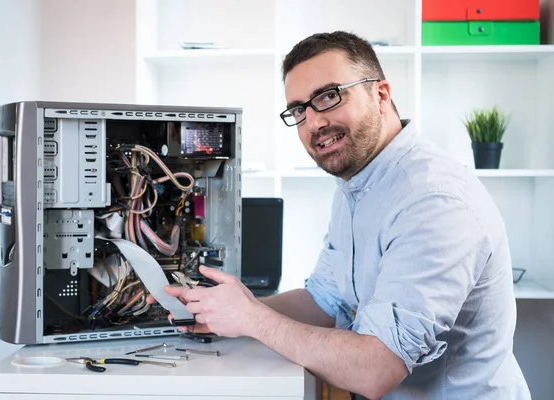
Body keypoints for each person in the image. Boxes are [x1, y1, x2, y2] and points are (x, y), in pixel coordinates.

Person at [149, 31, 530, 399]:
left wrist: (252, 319)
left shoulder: (432, 200)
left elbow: (376, 368)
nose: (314, 122)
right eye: (299, 109)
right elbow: (325, 301)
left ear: (380, 94)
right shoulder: (359, 183)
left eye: (329, 96)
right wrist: (225, 312)